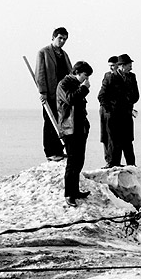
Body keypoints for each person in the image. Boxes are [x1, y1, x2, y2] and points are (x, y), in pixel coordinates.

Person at [57, 61, 93, 208]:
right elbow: (70, 99)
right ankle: (69, 194)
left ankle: (75, 191)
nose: (87, 79)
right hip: (69, 129)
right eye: (85, 75)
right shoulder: (63, 84)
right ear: (77, 72)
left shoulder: (75, 84)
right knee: (72, 163)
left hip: (79, 128)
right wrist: (84, 88)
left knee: (79, 161)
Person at [35, 27, 72, 161]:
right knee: (49, 122)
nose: (62, 41)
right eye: (60, 38)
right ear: (53, 37)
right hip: (50, 93)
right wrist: (43, 92)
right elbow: (40, 74)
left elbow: (70, 73)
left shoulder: (64, 54)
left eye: (64, 39)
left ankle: (58, 151)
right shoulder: (43, 53)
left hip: (63, 94)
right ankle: (50, 152)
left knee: (61, 121)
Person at [97, 53, 139, 167]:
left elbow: (136, 95)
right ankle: (113, 164)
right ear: (122, 66)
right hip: (114, 115)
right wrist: (110, 110)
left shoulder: (132, 77)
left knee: (128, 141)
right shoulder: (110, 77)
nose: (131, 67)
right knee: (114, 141)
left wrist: (128, 102)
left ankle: (132, 165)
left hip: (126, 114)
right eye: (129, 65)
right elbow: (101, 96)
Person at [99, 56, 118, 167]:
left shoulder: (121, 77)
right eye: (110, 66)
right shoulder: (108, 76)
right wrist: (108, 107)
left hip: (113, 110)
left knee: (114, 137)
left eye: (113, 65)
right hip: (107, 110)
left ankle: (114, 161)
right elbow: (101, 94)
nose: (111, 68)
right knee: (107, 136)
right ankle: (109, 161)